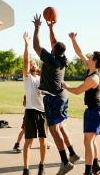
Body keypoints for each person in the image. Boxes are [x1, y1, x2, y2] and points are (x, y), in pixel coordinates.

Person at [32, 14, 79, 175]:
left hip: (53, 98)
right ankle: (72, 153)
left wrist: (37, 27)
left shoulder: (51, 60)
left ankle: (65, 162)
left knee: (53, 130)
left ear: (53, 50)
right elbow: (55, 43)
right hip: (62, 96)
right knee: (59, 126)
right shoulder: (63, 59)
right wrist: (51, 28)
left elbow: (36, 46)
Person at [62, 32, 100, 175]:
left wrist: (64, 85)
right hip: (93, 110)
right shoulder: (91, 68)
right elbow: (79, 52)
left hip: (95, 111)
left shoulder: (93, 78)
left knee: (88, 141)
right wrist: (73, 39)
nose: (88, 58)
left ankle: (88, 171)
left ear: (94, 61)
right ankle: (96, 166)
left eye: (91, 57)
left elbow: (76, 91)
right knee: (90, 141)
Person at [22, 32, 47, 175]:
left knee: (43, 141)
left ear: (37, 67)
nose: (32, 63)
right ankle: (26, 168)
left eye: (34, 62)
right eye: (31, 62)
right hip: (30, 111)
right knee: (28, 141)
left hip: (43, 112)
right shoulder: (28, 78)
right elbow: (26, 60)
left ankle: (42, 166)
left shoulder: (42, 79)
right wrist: (26, 44)